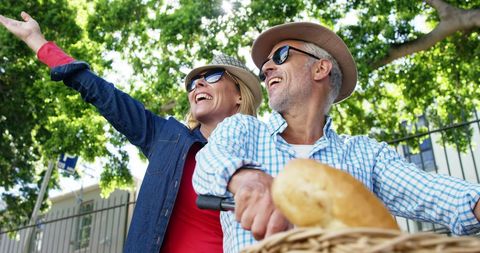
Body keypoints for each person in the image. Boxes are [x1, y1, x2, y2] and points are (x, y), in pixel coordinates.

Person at [192, 22, 480, 252]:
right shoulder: (243, 130)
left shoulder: (365, 154)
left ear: (321, 67)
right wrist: (246, 180)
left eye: (280, 56)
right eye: (264, 65)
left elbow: (438, 194)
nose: (266, 69)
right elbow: (208, 162)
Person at [0, 12, 263, 253]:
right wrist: (38, 42)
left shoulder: (267, 151)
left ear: (239, 95)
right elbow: (104, 95)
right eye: (194, 82)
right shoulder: (166, 137)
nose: (199, 84)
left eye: (214, 76)